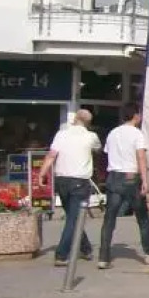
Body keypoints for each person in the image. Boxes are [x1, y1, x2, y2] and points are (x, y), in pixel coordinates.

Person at [99, 103, 149, 269]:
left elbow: (107, 153)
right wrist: (145, 179)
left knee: (109, 218)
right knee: (142, 217)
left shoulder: (113, 133)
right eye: (139, 114)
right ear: (135, 115)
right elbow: (141, 157)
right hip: (131, 177)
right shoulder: (137, 134)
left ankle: (103, 256)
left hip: (114, 176)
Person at [39, 109, 102, 265]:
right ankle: (61, 254)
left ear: (74, 119)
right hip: (79, 182)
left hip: (61, 180)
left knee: (74, 216)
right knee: (73, 219)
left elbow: (51, 155)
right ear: (88, 123)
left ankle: (85, 248)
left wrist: (42, 173)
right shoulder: (91, 137)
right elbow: (98, 149)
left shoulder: (61, 134)